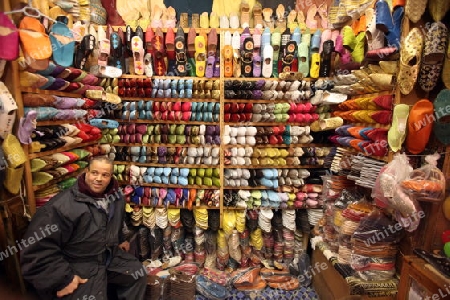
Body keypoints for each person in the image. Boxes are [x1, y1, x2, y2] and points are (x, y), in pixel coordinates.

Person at [20, 156, 147, 299]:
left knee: (138, 274)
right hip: (76, 263)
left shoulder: (117, 198)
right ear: (86, 172)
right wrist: (63, 278)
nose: (98, 178)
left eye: (104, 175)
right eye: (94, 173)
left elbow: (112, 222)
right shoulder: (62, 206)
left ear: (111, 177)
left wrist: (119, 239)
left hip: (107, 255)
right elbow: (35, 250)